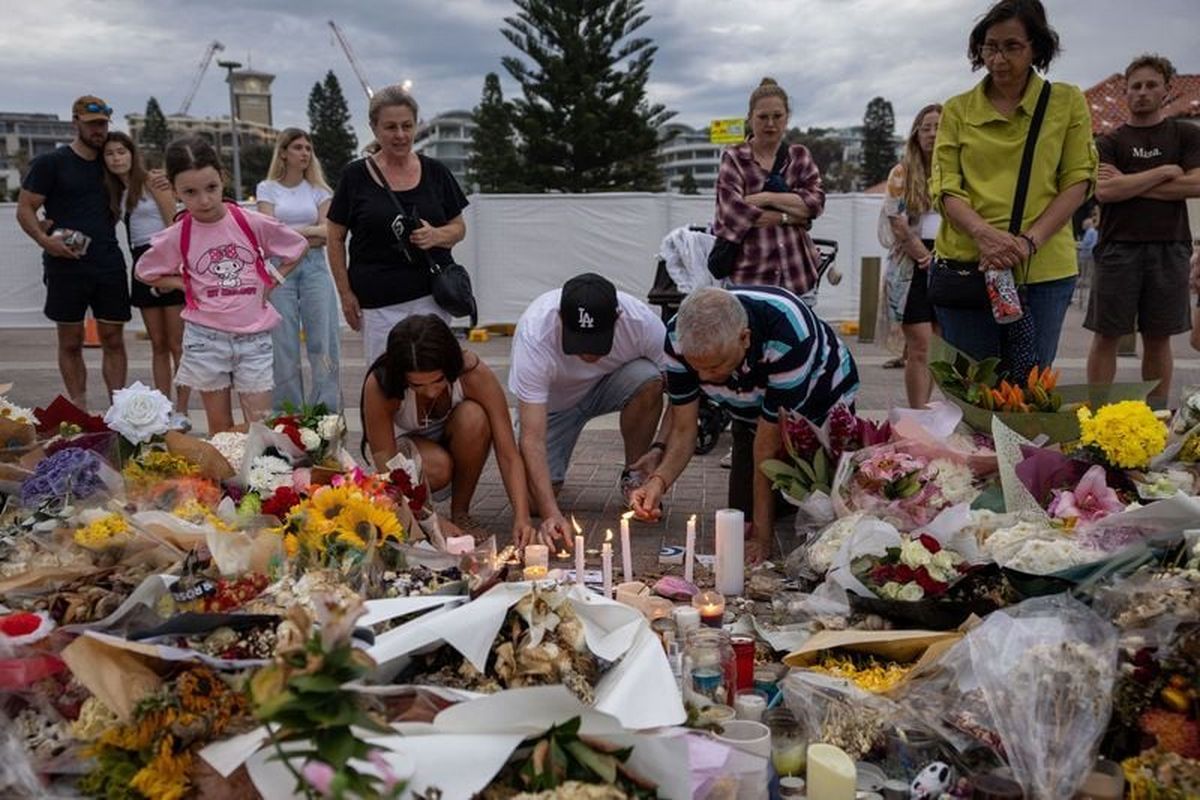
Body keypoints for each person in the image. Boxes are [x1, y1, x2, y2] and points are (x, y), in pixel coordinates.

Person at [631, 286, 859, 563]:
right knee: (742, 515)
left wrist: (762, 538)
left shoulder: (788, 334)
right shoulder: (678, 337)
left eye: (715, 366)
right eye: (696, 367)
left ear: (745, 338)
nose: (705, 377)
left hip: (820, 398)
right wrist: (658, 482)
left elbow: (766, 446)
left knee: (825, 502)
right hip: (748, 407)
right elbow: (683, 429)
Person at [929, 0, 1096, 366]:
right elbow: (944, 186)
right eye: (990, 46)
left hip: (1042, 268)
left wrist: (1027, 243)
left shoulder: (1066, 102)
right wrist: (984, 235)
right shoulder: (958, 109)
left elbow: (1078, 180)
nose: (999, 59)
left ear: (1036, 46)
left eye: (1012, 46)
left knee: (1028, 392)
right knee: (971, 387)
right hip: (969, 265)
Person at [135, 136, 308, 433]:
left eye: (211, 188)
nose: (203, 200)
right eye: (190, 192)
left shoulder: (250, 221)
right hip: (205, 339)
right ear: (175, 190)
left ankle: (258, 476)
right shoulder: (179, 233)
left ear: (223, 179)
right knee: (220, 427)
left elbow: (298, 246)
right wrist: (185, 283)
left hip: (253, 338)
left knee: (260, 425)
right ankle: (225, 479)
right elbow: (145, 271)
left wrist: (272, 281)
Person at [510, 273, 669, 550]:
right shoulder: (535, 331)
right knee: (535, 502)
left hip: (609, 385)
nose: (588, 354)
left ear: (617, 318)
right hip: (552, 407)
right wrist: (550, 513)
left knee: (650, 379)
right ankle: (552, 481)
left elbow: (683, 398)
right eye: (578, 342)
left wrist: (659, 451)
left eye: (597, 341)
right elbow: (532, 438)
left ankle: (635, 478)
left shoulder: (642, 322)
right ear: (560, 317)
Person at [1085, 54, 1200, 407]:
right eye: (1135, 86)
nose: (1143, 92)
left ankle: (1155, 416)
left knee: (1158, 337)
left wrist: (1130, 184)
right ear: (1125, 93)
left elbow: (1196, 185)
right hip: (1118, 247)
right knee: (1106, 335)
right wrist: (1164, 172)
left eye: (1151, 85)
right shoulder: (1109, 141)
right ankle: (1098, 416)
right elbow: (1105, 191)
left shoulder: (1185, 133)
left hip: (1170, 247)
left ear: (1167, 90)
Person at [362, 315, 536, 545]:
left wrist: (522, 518)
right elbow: (387, 468)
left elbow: (508, 453)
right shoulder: (381, 385)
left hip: (458, 441)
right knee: (438, 465)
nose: (431, 392)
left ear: (450, 366)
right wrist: (431, 520)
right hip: (409, 459)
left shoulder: (472, 372)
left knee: (474, 417)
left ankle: (461, 512)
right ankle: (420, 518)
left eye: (438, 380)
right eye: (417, 385)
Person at [327, 85, 469, 367]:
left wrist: (436, 235)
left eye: (407, 125)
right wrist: (345, 293)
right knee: (386, 382)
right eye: (390, 127)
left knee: (435, 377)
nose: (401, 135)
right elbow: (334, 237)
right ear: (374, 128)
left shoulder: (436, 172)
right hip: (378, 302)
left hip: (431, 297)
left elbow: (459, 228)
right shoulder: (354, 176)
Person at [16, 96, 130, 410]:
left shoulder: (112, 161)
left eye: (103, 124)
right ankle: (79, 410)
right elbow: (25, 208)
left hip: (107, 261)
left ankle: (118, 411)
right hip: (64, 264)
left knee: (113, 339)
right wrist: (44, 240)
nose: (99, 130)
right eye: (92, 124)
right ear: (75, 122)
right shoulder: (51, 163)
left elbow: (140, 180)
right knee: (70, 342)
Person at [102, 131, 191, 426]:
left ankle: (183, 410)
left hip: (166, 259)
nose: (116, 158)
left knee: (178, 343)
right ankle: (163, 408)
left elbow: (174, 223)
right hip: (141, 264)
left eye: (121, 152)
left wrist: (174, 266)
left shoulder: (154, 181)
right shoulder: (116, 190)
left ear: (132, 153)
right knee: (158, 343)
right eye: (110, 154)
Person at [712, 78, 826, 300]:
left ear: (787, 118)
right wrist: (793, 215)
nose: (770, 124)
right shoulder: (734, 157)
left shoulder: (799, 156)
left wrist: (765, 198)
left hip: (798, 277)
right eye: (763, 117)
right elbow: (732, 213)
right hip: (749, 278)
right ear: (750, 118)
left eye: (777, 116)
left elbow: (816, 203)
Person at [257, 128, 342, 411]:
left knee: (324, 343)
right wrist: (308, 231)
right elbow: (268, 234)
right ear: (283, 152)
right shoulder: (267, 188)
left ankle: (326, 417)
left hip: (315, 265)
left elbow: (328, 232)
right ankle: (288, 418)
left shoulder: (320, 191)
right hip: (280, 270)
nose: (305, 152)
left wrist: (293, 232)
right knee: (283, 347)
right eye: (298, 147)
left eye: (308, 148)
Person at [882, 104, 942, 408]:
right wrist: (923, 255)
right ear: (916, 133)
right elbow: (897, 221)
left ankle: (929, 412)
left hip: (948, 262)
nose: (932, 133)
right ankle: (918, 413)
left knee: (938, 347)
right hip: (913, 264)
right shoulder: (902, 172)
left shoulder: (958, 170)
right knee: (920, 345)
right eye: (926, 127)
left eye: (938, 127)